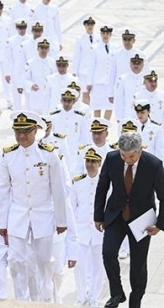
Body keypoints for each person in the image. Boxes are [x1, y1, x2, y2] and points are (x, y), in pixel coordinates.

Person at [0, 111, 68, 302]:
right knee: (16, 261)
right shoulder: (8, 155)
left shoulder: (48, 154)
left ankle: (45, 300)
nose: (21, 136)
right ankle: (22, 300)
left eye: (26, 131)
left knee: (44, 261)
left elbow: (59, 190)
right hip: (17, 215)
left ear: (36, 131)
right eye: (17, 132)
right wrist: (1, 222)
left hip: (43, 213)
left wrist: (62, 220)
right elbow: (2, 191)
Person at [94, 132, 164, 308]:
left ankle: (136, 301)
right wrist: (98, 216)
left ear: (140, 150)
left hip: (142, 220)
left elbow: (163, 196)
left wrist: (160, 225)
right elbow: (102, 187)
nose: (127, 160)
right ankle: (117, 293)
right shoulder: (111, 158)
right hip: (116, 216)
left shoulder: (154, 165)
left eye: (131, 156)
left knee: (138, 266)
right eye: (123, 155)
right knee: (108, 253)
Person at [71, 148, 106, 307]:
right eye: (88, 161)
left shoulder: (106, 183)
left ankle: (94, 297)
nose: (90, 164)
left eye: (93, 161)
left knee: (98, 265)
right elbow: (72, 206)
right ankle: (81, 296)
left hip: (99, 230)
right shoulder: (78, 181)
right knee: (79, 264)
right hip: (81, 228)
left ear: (100, 163)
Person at [85, 25, 116, 120]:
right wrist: (89, 82)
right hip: (97, 81)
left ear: (110, 34)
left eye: (107, 33)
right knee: (96, 105)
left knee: (109, 105)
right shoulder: (94, 48)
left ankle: (105, 126)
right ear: (101, 34)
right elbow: (91, 66)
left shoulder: (115, 47)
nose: (105, 35)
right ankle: (97, 124)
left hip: (110, 81)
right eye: (103, 33)